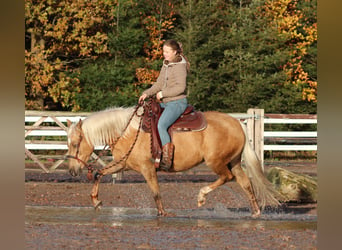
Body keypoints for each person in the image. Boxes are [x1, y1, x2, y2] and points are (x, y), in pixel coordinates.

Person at [139, 39, 190, 171]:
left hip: (177, 102)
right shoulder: (166, 65)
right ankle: (154, 152)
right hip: (167, 103)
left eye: (167, 52)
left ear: (175, 52)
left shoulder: (180, 67)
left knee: (162, 124)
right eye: (163, 51)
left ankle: (167, 160)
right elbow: (159, 83)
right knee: (149, 117)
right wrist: (147, 93)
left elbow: (181, 87)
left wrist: (162, 94)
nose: (164, 54)